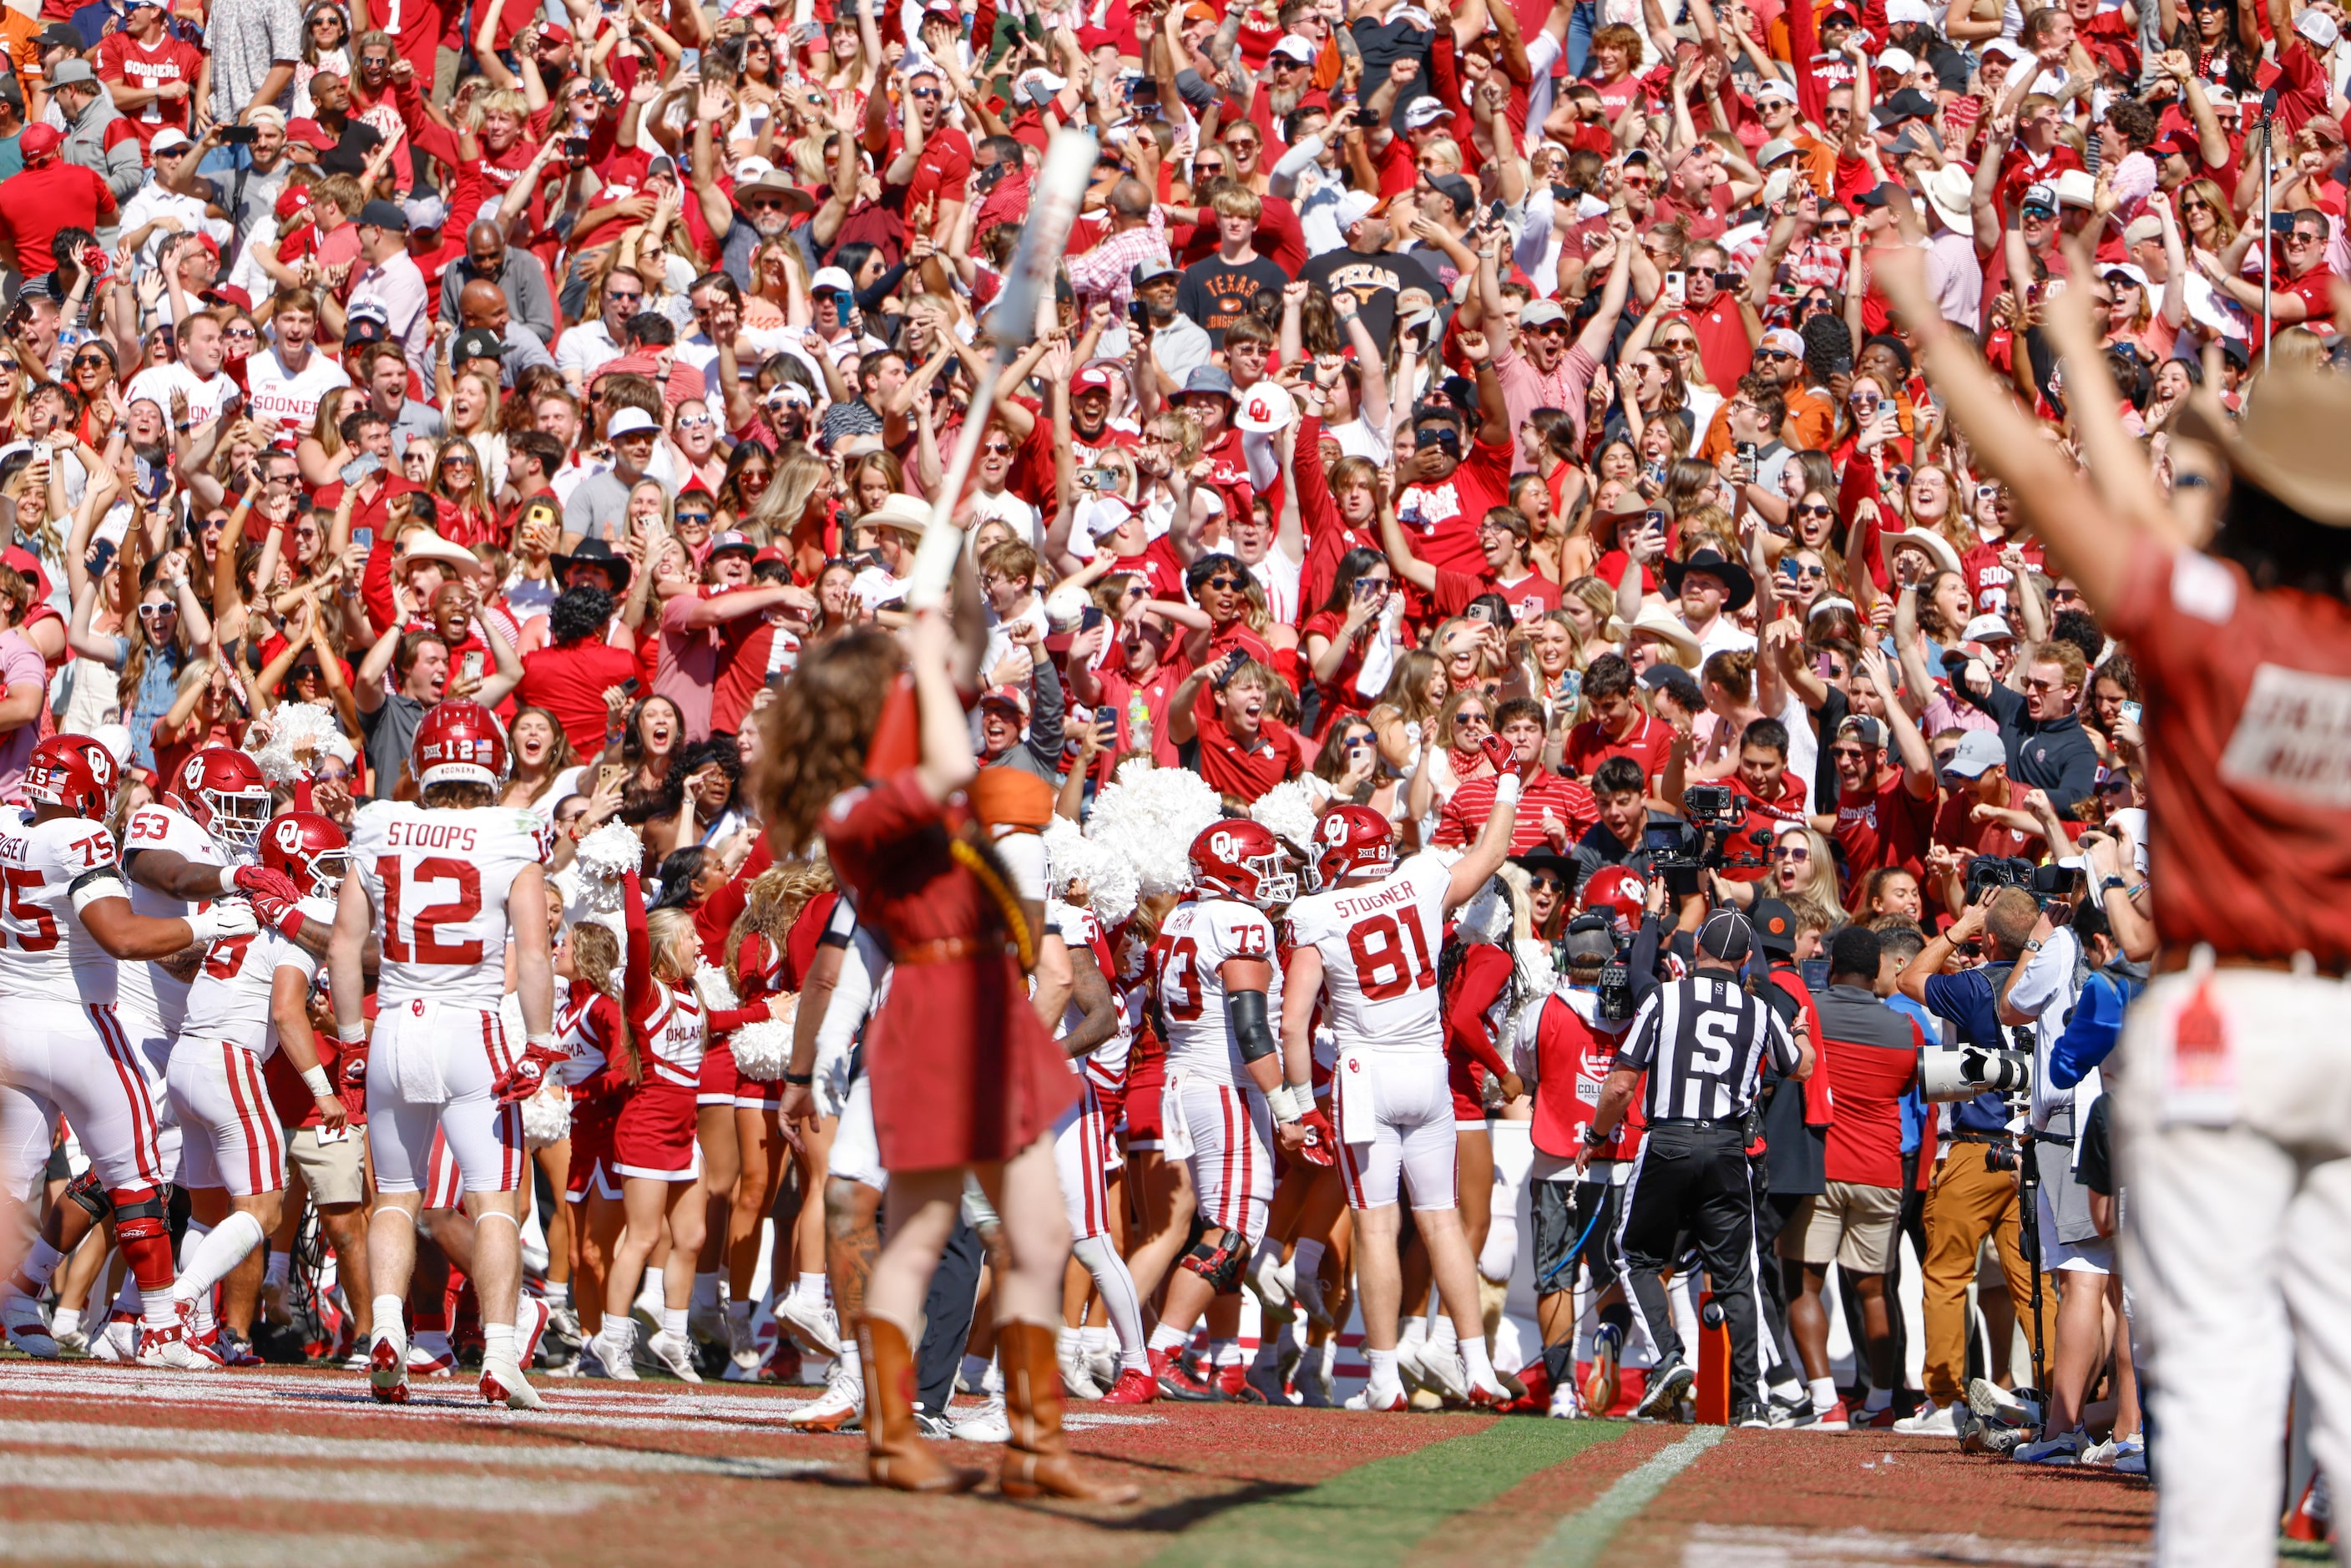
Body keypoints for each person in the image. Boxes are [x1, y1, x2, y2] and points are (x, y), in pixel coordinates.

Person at [761, 569, 1137, 1502]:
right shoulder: (927, 824)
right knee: (1020, 1235)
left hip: (919, 1031)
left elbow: (857, 968)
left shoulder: (877, 827)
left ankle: (891, 1406)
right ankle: (1010, 1428)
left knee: (921, 1229)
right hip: (963, 1032)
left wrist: (812, 1066)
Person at [0, 736, 260, 1369]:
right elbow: (120, 934)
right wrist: (210, 924)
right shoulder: (87, 838)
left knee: (14, 1178)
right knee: (138, 1177)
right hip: (83, 1021)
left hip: (10, 1018)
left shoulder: (7, 822)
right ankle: (161, 1326)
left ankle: (14, 1301)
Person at [331, 700, 555, 1409]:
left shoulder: (378, 824)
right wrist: (543, 1041)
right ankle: (497, 1353)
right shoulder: (512, 830)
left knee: (396, 1195)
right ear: (492, 762)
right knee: (493, 1204)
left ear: (423, 761)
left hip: (396, 1019)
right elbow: (536, 948)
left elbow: (343, 943)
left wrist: (350, 1038)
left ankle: (389, 1328)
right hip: (472, 1030)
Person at [1279, 775, 1523, 1414]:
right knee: (1442, 1222)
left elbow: (1292, 1022)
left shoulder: (1316, 913)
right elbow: (1493, 855)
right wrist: (1508, 783)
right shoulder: (1417, 880)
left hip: (1366, 1075)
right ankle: (1476, 1366)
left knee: (1377, 1227)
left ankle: (1383, 1379)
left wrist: (1300, 1104)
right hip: (1426, 1069)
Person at [1576, 908, 1812, 1427]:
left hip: (1668, 1142)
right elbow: (1802, 1067)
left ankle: (1666, 1357)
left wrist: (1595, 1136)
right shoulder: (1759, 1009)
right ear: (1747, 960)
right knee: (1734, 1278)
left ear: (1696, 951)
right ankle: (1751, 1400)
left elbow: (1620, 1084)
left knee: (1631, 1252)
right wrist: (1801, 1034)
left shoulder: (1665, 996)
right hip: (1729, 1150)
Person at [1779, 924, 1923, 1430]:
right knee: (1874, 1290)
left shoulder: (1810, 1011)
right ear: (1879, 970)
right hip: (1883, 1171)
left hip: (1823, 1166)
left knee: (1803, 1284)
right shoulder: (1907, 1029)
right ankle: (1881, 1401)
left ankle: (1826, 1404)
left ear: (1832, 965)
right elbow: (1907, 1086)